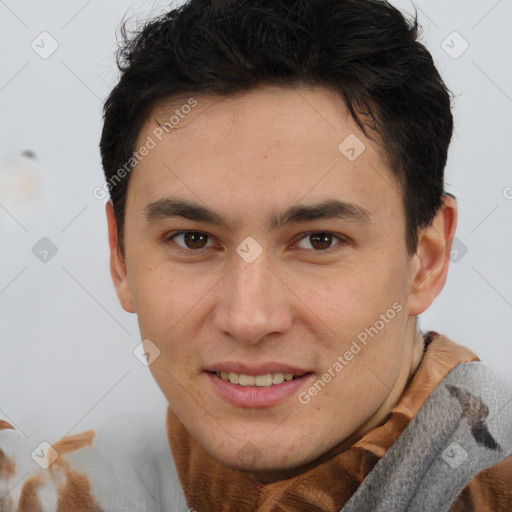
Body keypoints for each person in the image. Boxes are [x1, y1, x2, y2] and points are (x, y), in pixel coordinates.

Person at [1, 0, 511, 510]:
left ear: (426, 259)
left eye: (319, 241)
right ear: (120, 257)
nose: (248, 318)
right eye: (193, 240)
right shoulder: (53, 492)